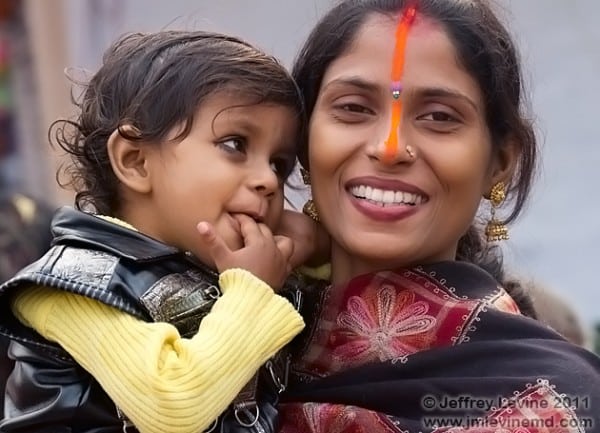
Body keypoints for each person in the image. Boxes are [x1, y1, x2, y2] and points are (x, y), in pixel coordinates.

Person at [276, 0, 600, 431]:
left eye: (439, 117)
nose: (389, 148)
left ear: (500, 162)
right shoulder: (203, 345)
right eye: (353, 108)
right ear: (302, 143)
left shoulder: (559, 399)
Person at [0, 30, 314, 433]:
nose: (268, 181)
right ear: (135, 162)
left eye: (279, 163)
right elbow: (172, 407)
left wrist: (312, 247)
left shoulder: (216, 270)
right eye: (235, 144)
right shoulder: (72, 287)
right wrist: (252, 289)